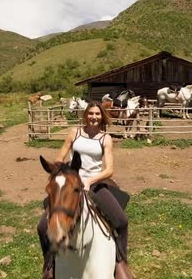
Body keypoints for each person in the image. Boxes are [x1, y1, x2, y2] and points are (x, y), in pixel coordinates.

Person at [37, 101, 130, 279]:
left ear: (101, 116)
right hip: (71, 181)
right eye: (90, 114)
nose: (93, 117)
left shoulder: (106, 138)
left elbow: (109, 169)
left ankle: (120, 260)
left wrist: (89, 180)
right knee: (42, 226)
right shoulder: (75, 133)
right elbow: (60, 156)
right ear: (85, 115)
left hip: (94, 182)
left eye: (97, 114)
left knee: (121, 220)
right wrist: (59, 171)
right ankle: (49, 264)